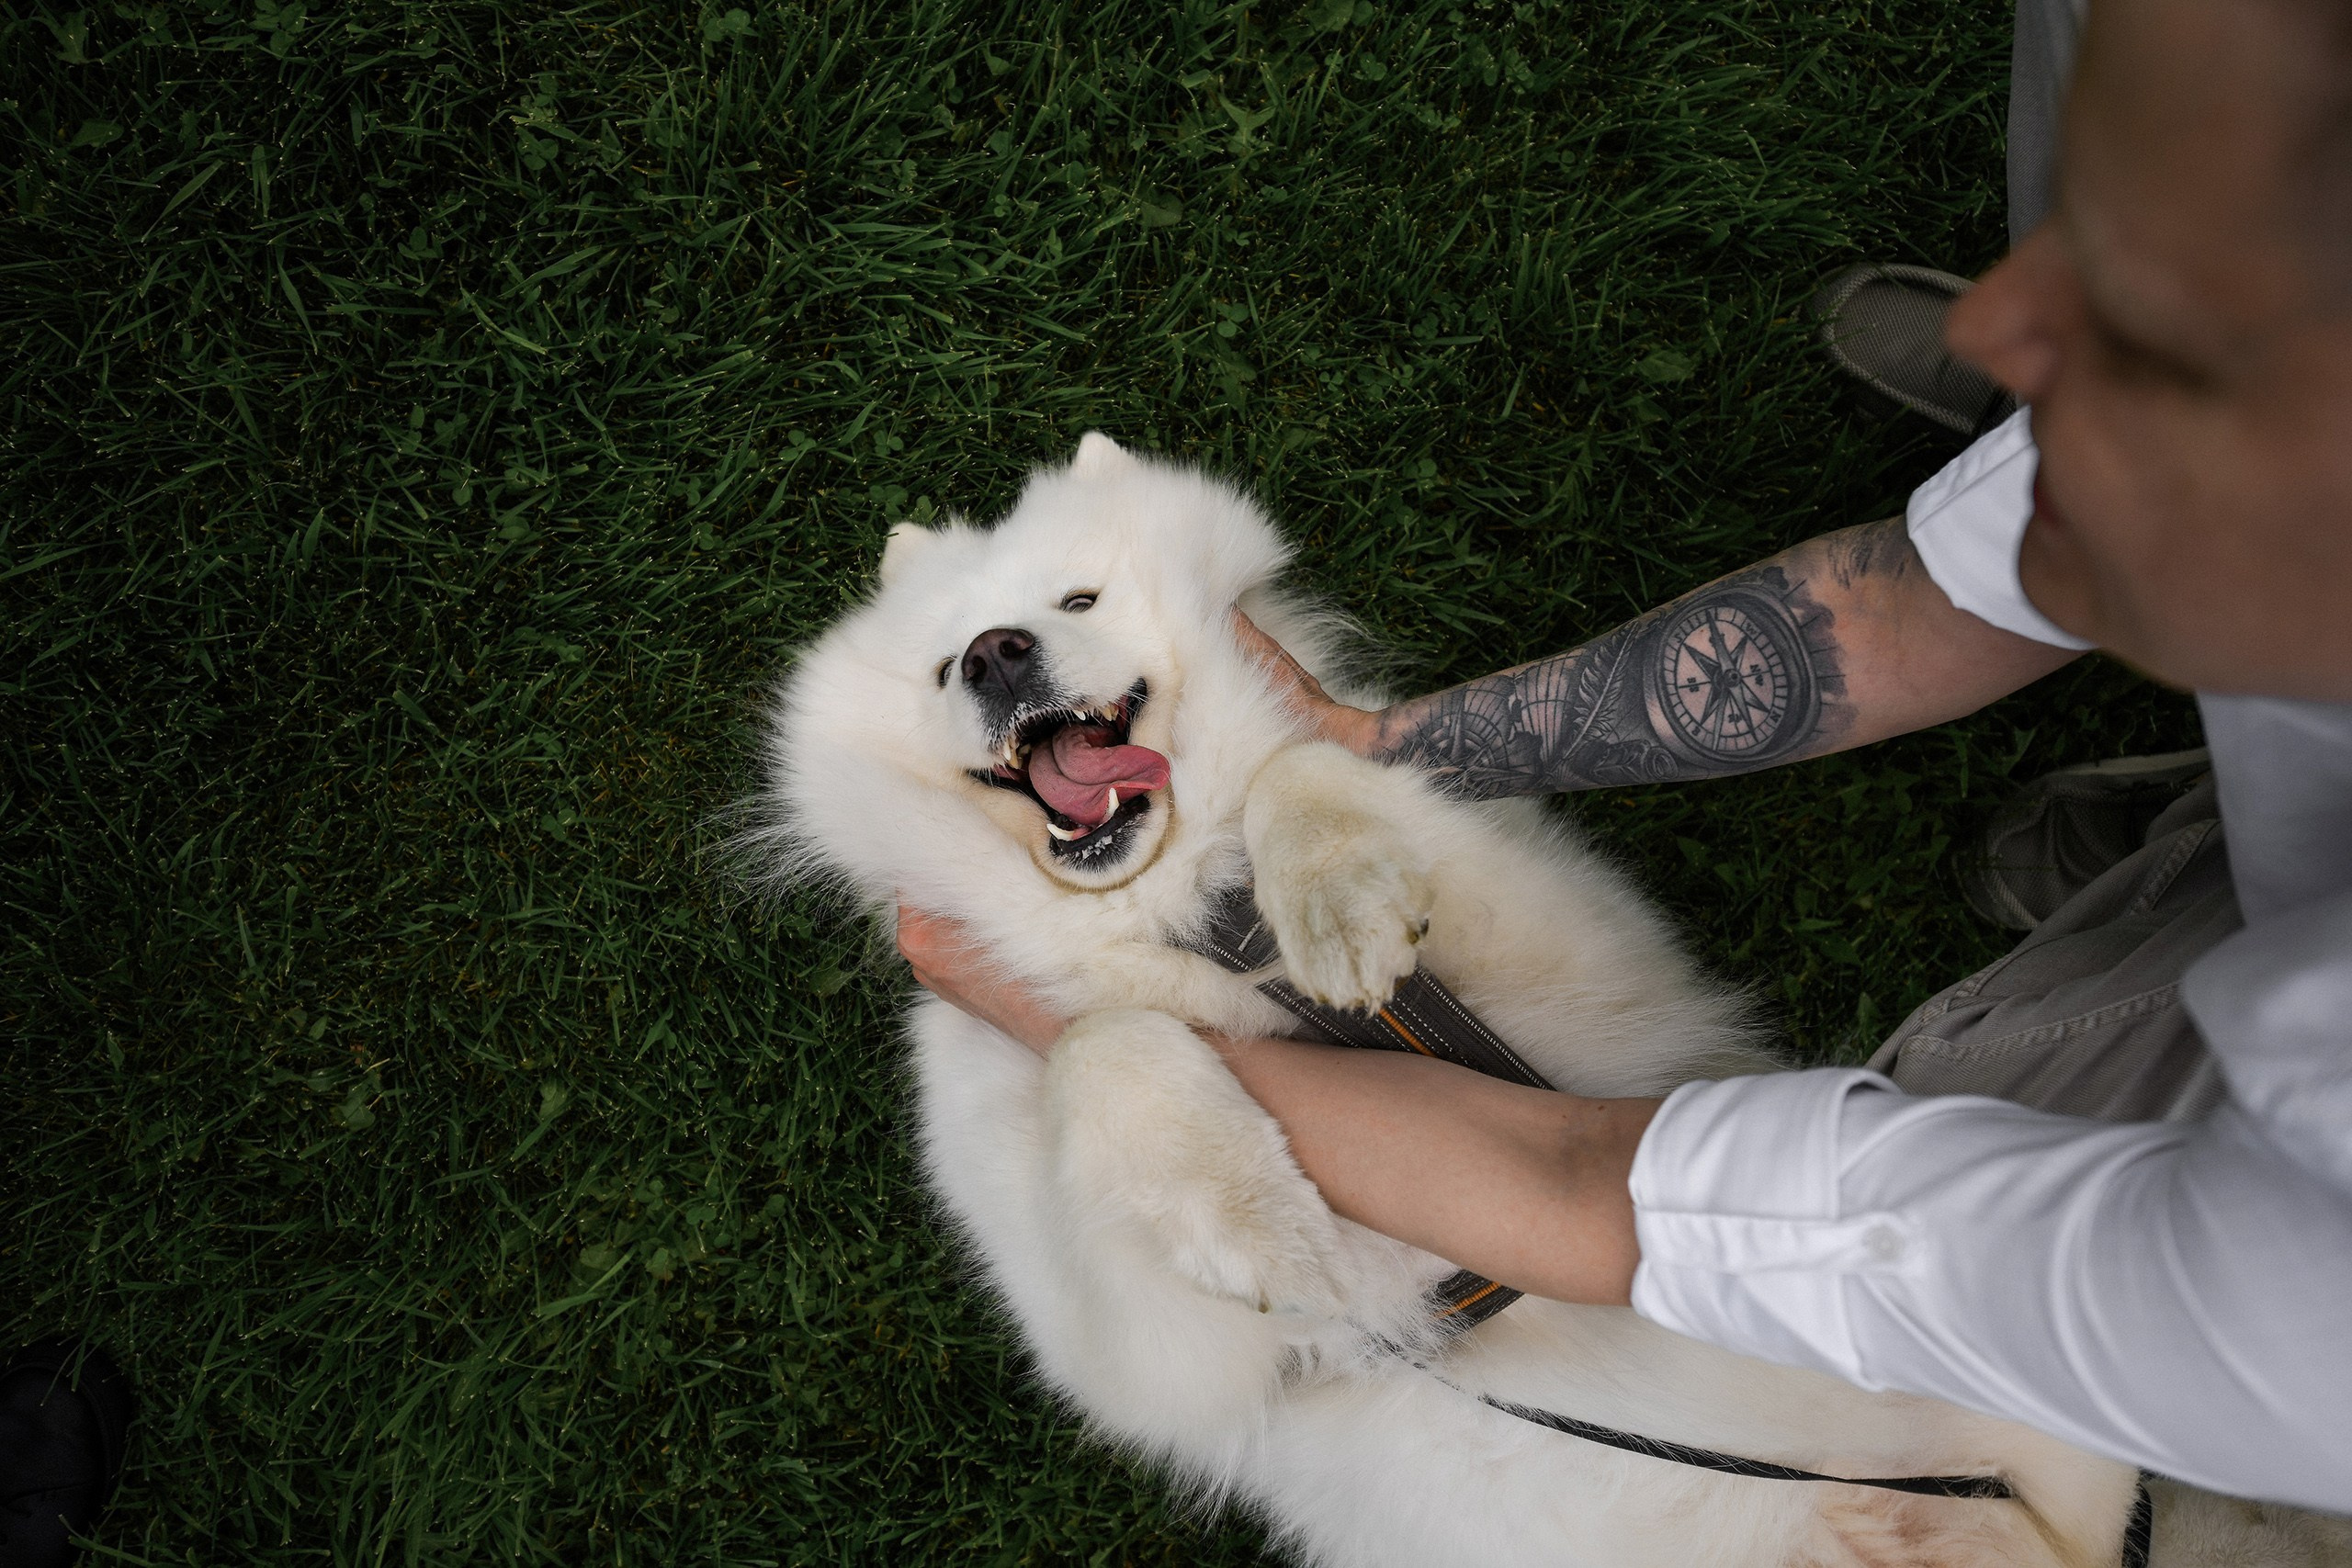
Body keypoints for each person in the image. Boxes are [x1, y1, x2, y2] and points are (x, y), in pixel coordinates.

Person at [899, 0, 2352, 1512]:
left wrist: (1089, 1047)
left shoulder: (2306, 1292)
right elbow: (1910, 613)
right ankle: (2210, 821)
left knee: (1982, 1124)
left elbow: (1602, 1192)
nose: (1996, 318)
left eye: (2175, 333)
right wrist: (1372, 749)